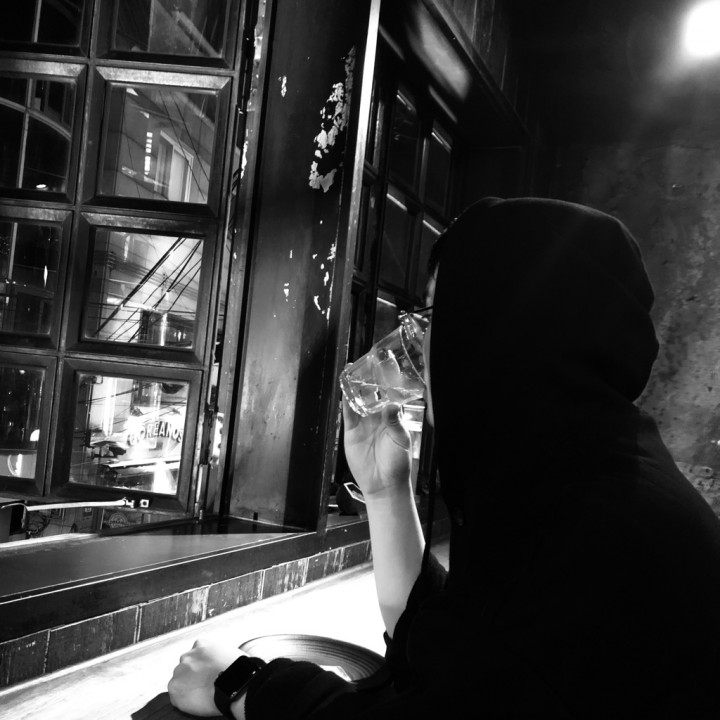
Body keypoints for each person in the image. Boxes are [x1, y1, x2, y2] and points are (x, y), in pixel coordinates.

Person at [168, 197, 720, 718]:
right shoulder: (591, 473)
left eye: (432, 317)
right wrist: (386, 491)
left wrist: (242, 683)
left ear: (500, 330)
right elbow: (460, 645)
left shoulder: (598, 534)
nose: (412, 343)